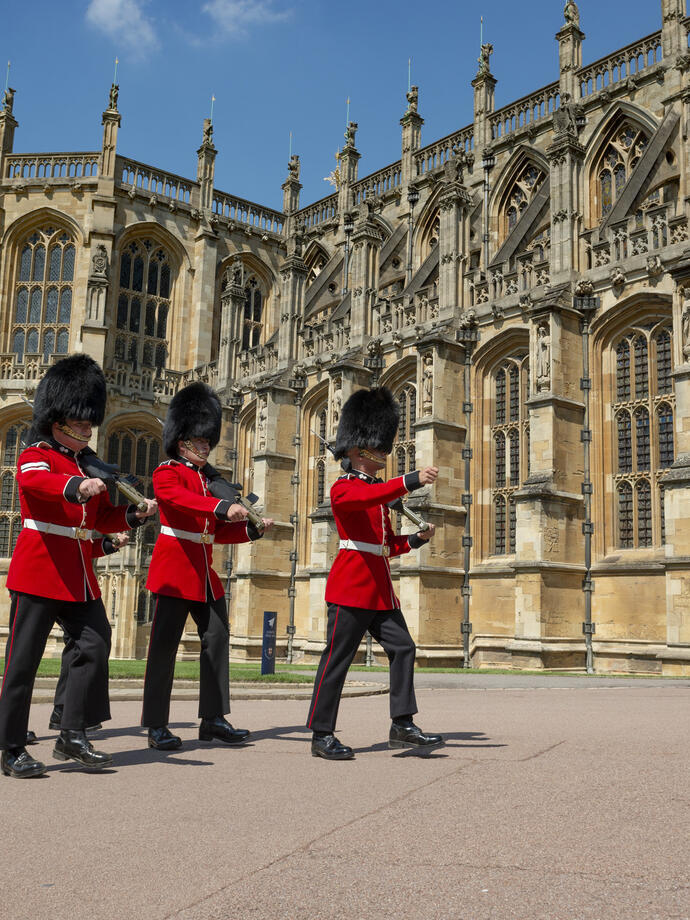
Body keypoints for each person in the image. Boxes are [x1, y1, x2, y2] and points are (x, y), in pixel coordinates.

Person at [0, 354, 158, 778]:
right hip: (39, 569)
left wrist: (133, 515)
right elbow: (35, 482)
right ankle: (10, 746)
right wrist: (76, 485)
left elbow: (102, 518)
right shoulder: (37, 453)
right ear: (59, 422)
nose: (90, 430)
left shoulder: (88, 463)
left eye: (90, 423)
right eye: (83, 423)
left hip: (79, 577)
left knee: (94, 644)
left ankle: (72, 733)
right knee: (22, 663)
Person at [306, 386, 443, 760]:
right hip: (351, 588)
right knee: (337, 660)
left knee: (404, 649)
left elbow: (383, 546)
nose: (383, 454)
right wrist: (410, 479)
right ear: (357, 450)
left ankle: (402, 724)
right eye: (378, 448)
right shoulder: (343, 489)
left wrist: (414, 540)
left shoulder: (376, 492)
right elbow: (368, 500)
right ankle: (321, 734)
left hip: (379, 590)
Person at [142, 382, 273, 751]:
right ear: (182, 441)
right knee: (163, 651)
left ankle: (213, 718)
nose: (205, 448)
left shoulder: (209, 482)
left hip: (204, 576)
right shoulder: (167, 472)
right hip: (172, 572)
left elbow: (213, 534)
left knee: (216, 640)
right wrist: (221, 507)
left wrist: (250, 527)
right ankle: (156, 725)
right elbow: (177, 501)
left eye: (207, 442)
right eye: (199, 443)